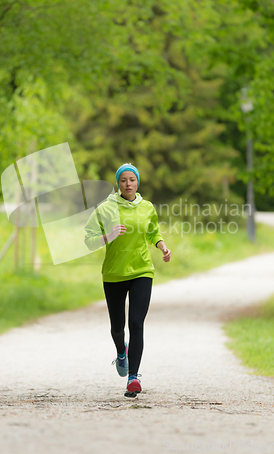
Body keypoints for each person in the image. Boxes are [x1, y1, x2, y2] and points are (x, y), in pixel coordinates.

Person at [84, 162, 171, 397]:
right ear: (118, 184)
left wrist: (162, 247)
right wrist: (109, 235)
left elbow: (153, 232)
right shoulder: (105, 209)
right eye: (123, 180)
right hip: (114, 273)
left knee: (136, 322)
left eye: (132, 180)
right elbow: (89, 240)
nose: (128, 184)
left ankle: (133, 378)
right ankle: (121, 351)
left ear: (137, 182)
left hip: (142, 270)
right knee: (117, 328)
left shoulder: (147, 207)